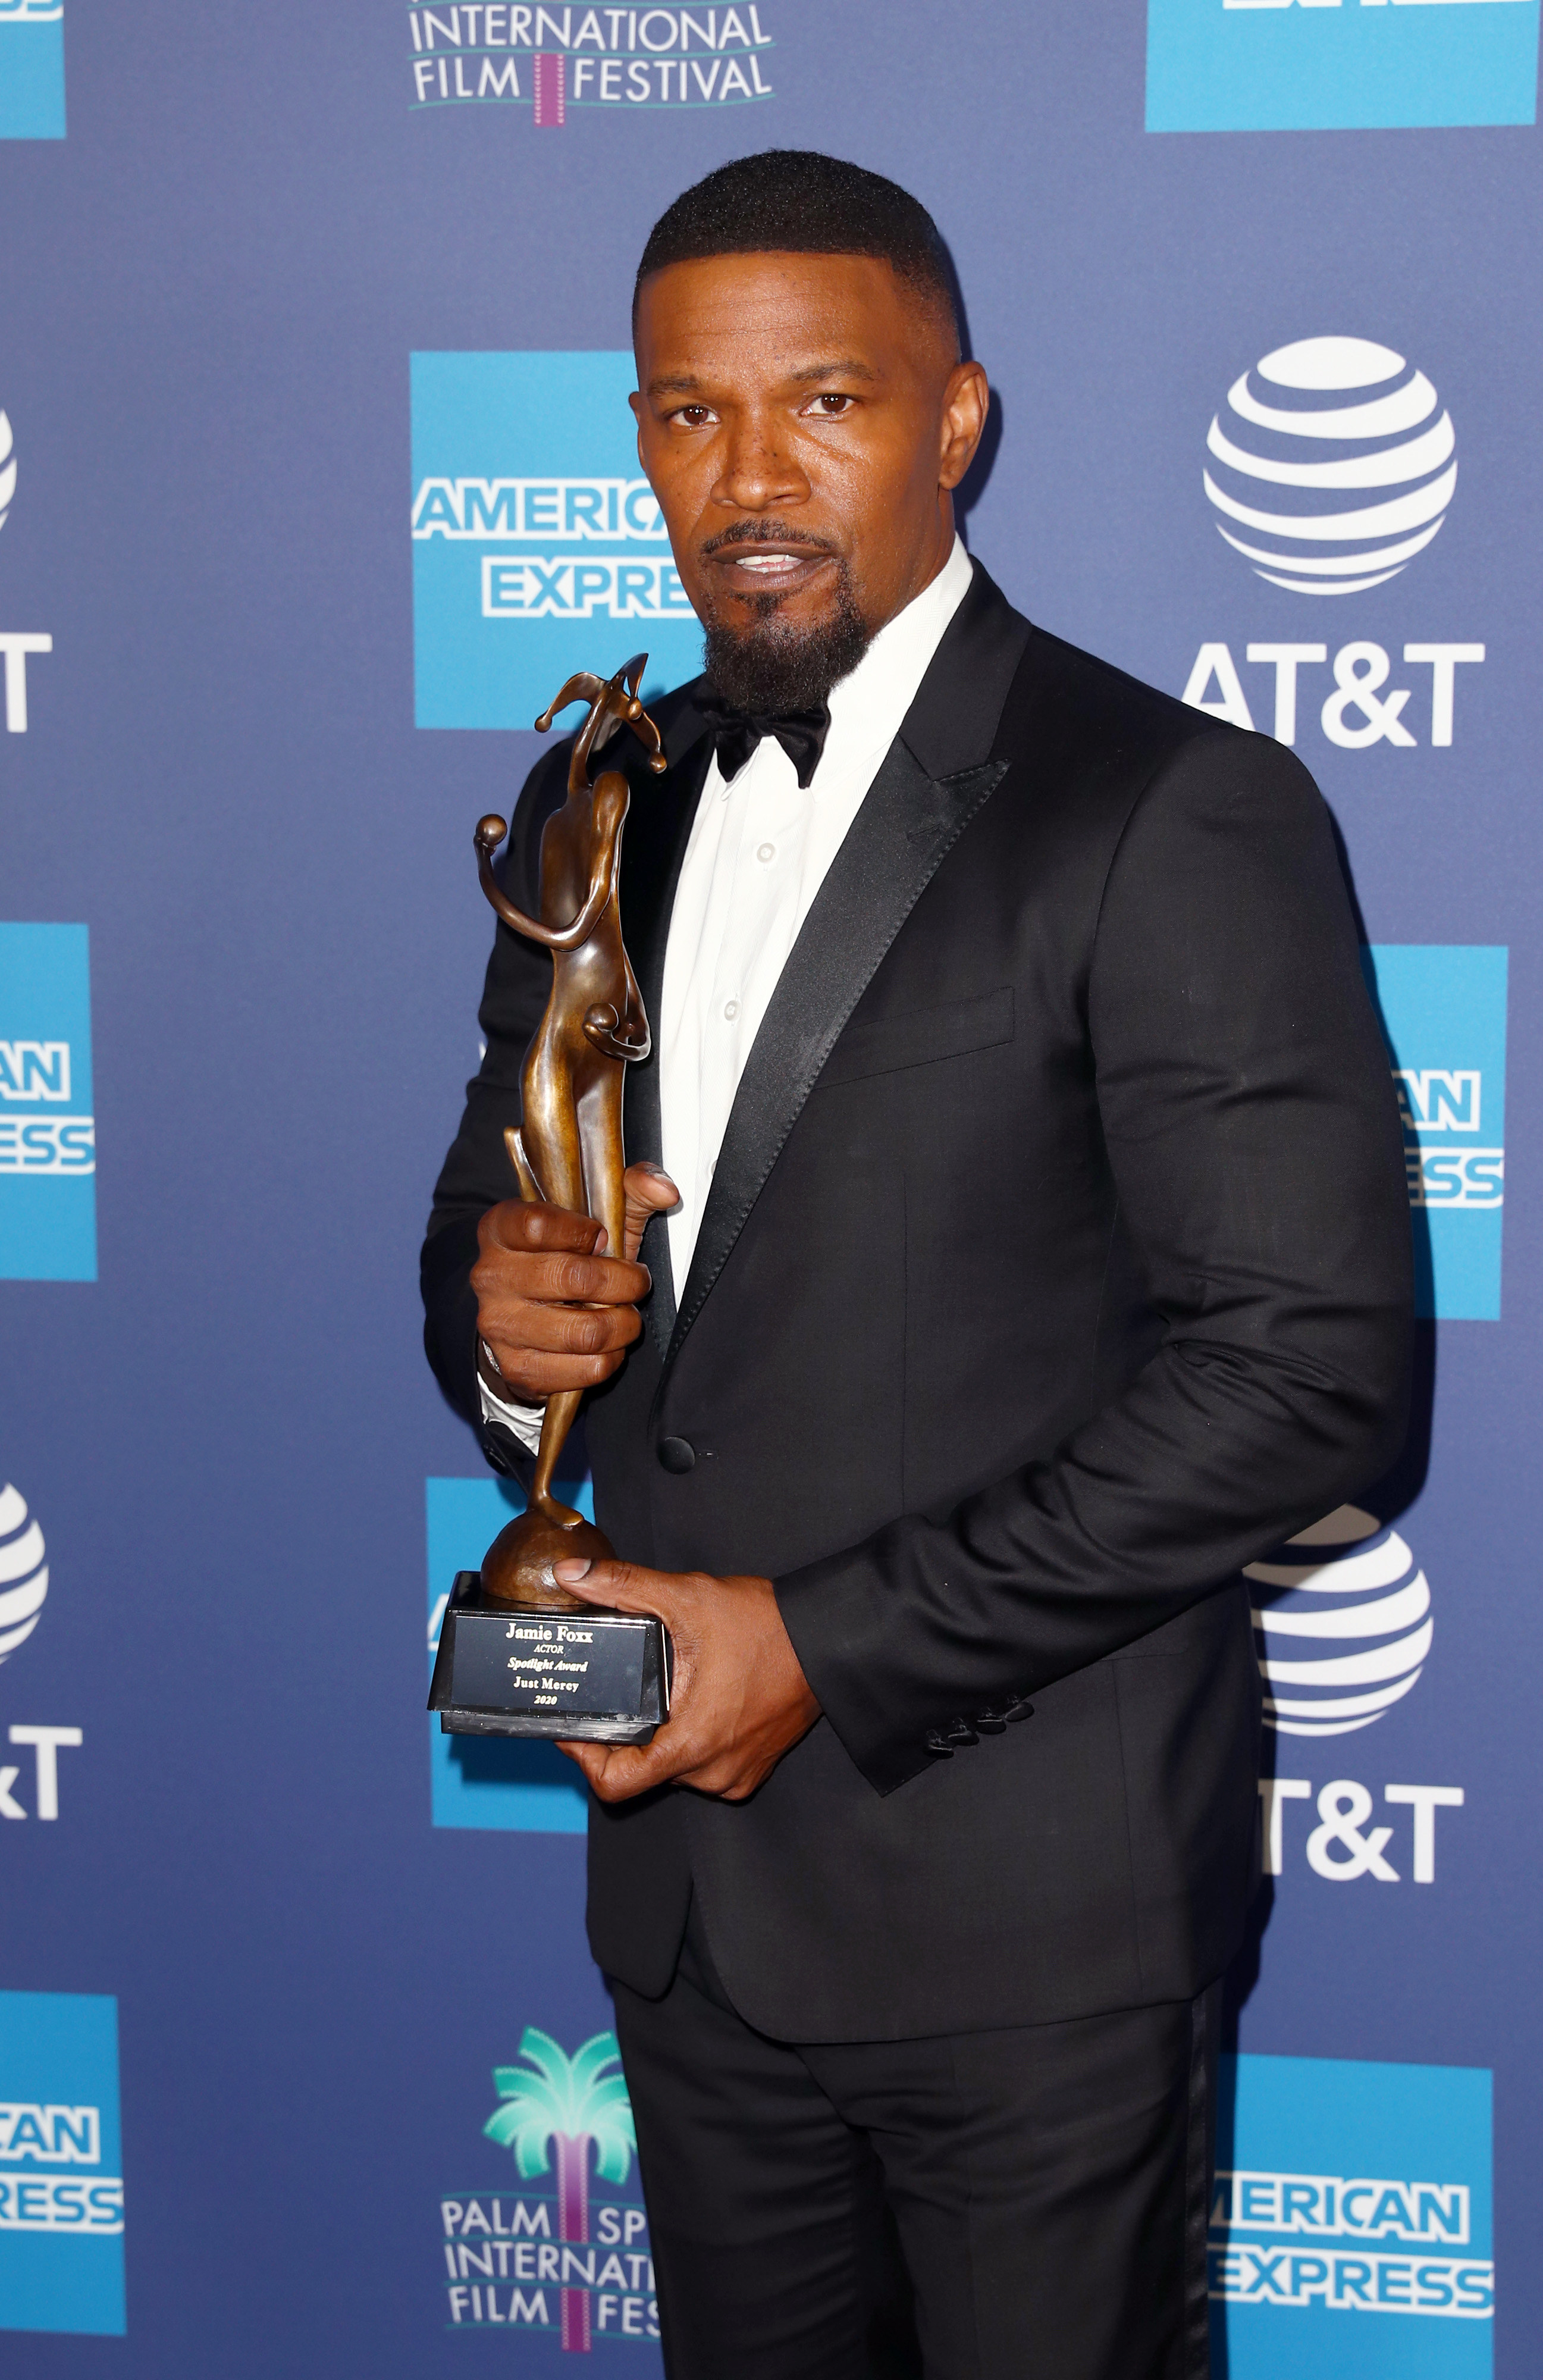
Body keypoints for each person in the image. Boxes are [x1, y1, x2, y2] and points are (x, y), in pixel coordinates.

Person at [422, 149, 1412, 2380]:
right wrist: (506, 1332)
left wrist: (821, 1649)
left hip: (1031, 1933)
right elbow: (478, 1249)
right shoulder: (603, 795)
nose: (746, 476)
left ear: (955, 420)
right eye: (688, 414)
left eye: (826, 403)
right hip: (688, 1929)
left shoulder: (1171, 805)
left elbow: (1310, 1380)